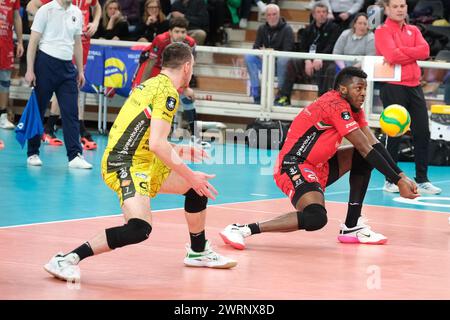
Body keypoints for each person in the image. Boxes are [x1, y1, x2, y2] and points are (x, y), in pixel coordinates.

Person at [44, 43, 237, 282]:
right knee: (139, 228)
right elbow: (157, 143)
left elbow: (142, 134)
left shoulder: (151, 84)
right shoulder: (167, 93)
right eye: (193, 67)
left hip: (141, 160)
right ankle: (67, 258)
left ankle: (198, 251)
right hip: (124, 163)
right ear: (187, 67)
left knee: (197, 190)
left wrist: (178, 150)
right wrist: (189, 173)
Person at [220, 67, 419, 249]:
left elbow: (372, 144)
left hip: (320, 166)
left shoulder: (353, 109)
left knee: (363, 154)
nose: (363, 93)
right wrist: (397, 180)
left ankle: (352, 226)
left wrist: (401, 175)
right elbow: (363, 146)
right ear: (342, 89)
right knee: (315, 218)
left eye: (365, 89)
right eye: (358, 88)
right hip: (293, 165)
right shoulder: (334, 104)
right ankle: (243, 229)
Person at [375, 0, 441, 194]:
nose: (399, 9)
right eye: (395, 6)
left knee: (422, 132)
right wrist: (411, 53)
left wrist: (401, 52)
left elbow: (425, 51)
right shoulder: (382, 31)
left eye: (402, 6)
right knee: (394, 134)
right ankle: (390, 180)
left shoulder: (414, 29)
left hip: (414, 86)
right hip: (393, 87)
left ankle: (422, 180)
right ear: (387, 9)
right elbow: (391, 56)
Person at [25, 0, 92, 169]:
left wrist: (80, 71)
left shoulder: (77, 12)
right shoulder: (45, 10)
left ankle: (75, 155)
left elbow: (77, 43)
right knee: (38, 110)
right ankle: (33, 152)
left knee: (71, 112)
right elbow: (33, 42)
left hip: (67, 69)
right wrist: (30, 70)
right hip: (45, 64)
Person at [132, 16, 209, 148]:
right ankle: (143, 136)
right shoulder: (160, 40)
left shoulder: (190, 44)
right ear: (170, 31)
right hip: (158, 69)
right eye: (177, 31)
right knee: (151, 101)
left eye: (183, 32)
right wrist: (142, 84)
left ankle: (195, 138)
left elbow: (189, 67)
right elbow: (151, 63)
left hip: (176, 72)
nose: (180, 35)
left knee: (188, 98)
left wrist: (186, 87)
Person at [274, 1, 339, 106]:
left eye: (323, 12)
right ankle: (284, 96)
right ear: (313, 14)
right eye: (318, 12)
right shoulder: (308, 29)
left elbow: (331, 46)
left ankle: (323, 100)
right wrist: (307, 60)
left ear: (327, 14)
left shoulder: (334, 28)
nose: (321, 14)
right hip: (309, 59)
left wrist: (320, 58)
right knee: (293, 62)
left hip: (325, 59)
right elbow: (303, 47)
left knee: (330, 68)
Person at [245, 3, 294, 104]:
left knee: (283, 59)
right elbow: (256, 47)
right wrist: (261, 53)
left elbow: (287, 51)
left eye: (274, 14)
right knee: (249, 56)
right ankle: (256, 91)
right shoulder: (262, 28)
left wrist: (269, 53)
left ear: (279, 15)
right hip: (265, 63)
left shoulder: (287, 29)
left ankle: (282, 94)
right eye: (269, 15)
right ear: (265, 16)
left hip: (279, 65)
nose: (272, 17)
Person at [0, 0, 24, 130]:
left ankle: (2, 116)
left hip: (5, 43)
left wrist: (20, 42)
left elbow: (16, 16)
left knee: (4, 81)